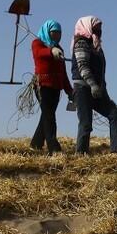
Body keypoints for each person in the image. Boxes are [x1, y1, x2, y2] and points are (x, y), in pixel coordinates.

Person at [71, 16, 117, 155]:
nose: (99, 32)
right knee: (86, 124)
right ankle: (81, 154)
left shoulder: (96, 45)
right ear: (88, 27)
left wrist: (102, 88)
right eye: (96, 29)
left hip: (97, 90)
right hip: (83, 88)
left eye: (100, 29)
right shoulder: (81, 43)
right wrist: (92, 85)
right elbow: (83, 67)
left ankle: (116, 149)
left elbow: (101, 71)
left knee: (115, 114)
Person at [29, 19, 73, 154]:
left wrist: (69, 91)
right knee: (49, 116)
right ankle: (53, 148)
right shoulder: (37, 43)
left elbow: (63, 73)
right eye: (54, 32)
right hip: (42, 86)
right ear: (47, 32)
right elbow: (38, 53)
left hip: (56, 88)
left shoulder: (59, 49)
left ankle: (35, 144)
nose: (57, 35)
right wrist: (50, 51)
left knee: (47, 115)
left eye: (59, 33)